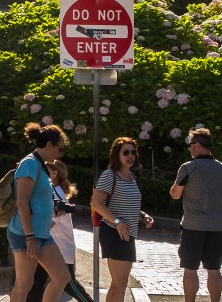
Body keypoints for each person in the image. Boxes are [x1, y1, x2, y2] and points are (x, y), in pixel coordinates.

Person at [9, 122, 72, 302]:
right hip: (25, 233)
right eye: (60, 149)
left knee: (62, 276)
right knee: (24, 284)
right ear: (49, 145)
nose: (60, 154)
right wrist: (29, 237)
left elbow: (38, 199)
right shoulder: (29, 164)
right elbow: (21, 202)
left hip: (42, 233)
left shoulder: (41, 165)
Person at [91, 137, 155, 302]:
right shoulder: (109, 175)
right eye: (125, 152)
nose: (130, 156)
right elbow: (96, 203)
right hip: (114, 232)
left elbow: (128, 204)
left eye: (133, 152)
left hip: (127, 233)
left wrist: (142, 215)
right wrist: (118, 222)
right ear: (116, 155)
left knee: (118, 284)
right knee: (120, 283)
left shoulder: (131, 177)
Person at [170, 128, 222, 302]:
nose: (189, 148)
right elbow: (221, 192)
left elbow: (175, 194)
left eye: (190, 145)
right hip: (216, 225)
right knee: (214, 269)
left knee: (190, 268)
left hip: (192, 225)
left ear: (197, 145)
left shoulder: (189, 167)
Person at [27, 160, 93, 302]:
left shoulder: (56, 194)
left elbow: (49, 223)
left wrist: (31, 236)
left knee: (69, 283)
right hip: (51, 247)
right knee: (36, 281)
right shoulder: (53, 191)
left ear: (55, 173)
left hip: (60, 248)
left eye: (46, 170)